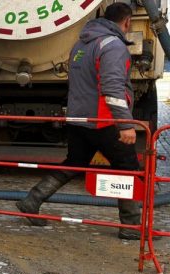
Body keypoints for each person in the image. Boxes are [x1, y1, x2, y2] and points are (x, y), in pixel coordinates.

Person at [15, 2, 143, 240]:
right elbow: (113, 87)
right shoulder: (113, 46)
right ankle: (131, 227)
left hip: (78, 119)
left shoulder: (81, 44)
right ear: (127, 22)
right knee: (128, 169)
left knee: (74, 163)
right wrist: (125, 125)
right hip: (103, 122)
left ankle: (32, 200)